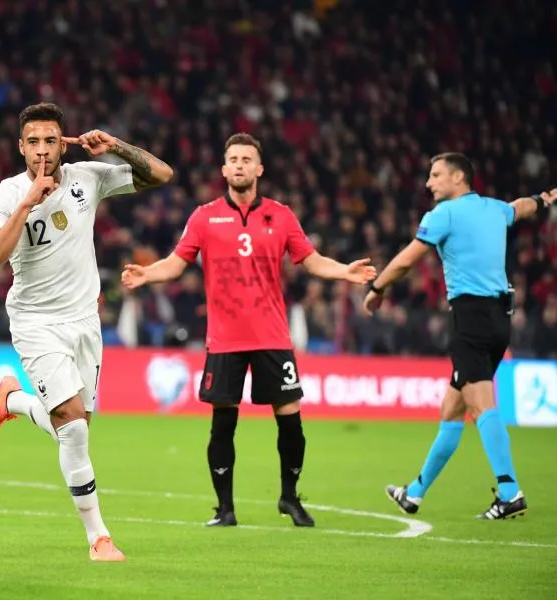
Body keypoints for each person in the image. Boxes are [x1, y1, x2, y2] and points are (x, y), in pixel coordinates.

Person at [121, 133, 377, 528]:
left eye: (246, 159)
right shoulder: (204, 217)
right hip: (225, 339)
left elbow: (309, 260)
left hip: (273, 336)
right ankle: (225, 510)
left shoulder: (281, 215)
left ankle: (290, 498)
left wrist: (344, 271)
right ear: (224, 169)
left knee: (290, 419)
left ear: (259, 169)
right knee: (223, 423)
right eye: (233, 159)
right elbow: (176, 262)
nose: (239, 165)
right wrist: (147, 274)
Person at [0, 102, 173, 561]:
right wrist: (30, 202)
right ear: (20, 147)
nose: (42, 151)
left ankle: (15, 402)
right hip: (35, 323)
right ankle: (98, 538)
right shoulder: (7, 194)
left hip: (85, 322)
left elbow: (161, 175)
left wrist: (115, 146)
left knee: (75, 425)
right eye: (33, 142)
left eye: (51, 140)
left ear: (62, 143)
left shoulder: (88, 175)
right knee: (74, 429)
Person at [364, 152, 555, 519]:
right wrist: (544, 199)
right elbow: (522, 208)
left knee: (482, 404)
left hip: (469, 317)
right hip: (500, 319)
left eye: (436, 175)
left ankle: (510, 491)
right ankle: (414, 493)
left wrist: (377, 287)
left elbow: (407, 260)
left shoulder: (443, 215)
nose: (428, 182)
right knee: (453, 408)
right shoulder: (495, 209)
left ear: (458, 179)